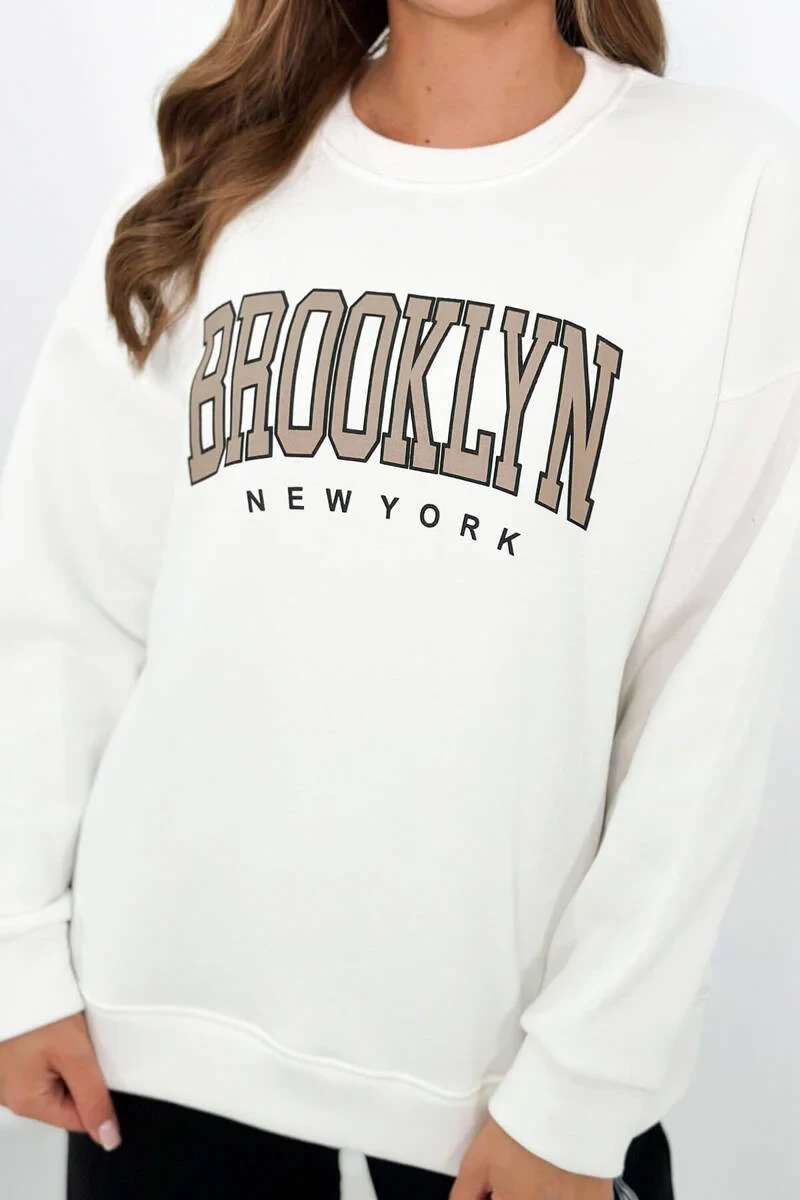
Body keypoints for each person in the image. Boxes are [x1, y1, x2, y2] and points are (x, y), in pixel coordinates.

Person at [1, 0, 799, 1197]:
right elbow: (64, 593)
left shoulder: (728, 184)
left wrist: (582, 1092)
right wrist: (15, 954)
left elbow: (705, 693)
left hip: (508, 1097)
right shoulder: (219, 163)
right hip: (156, 1042)